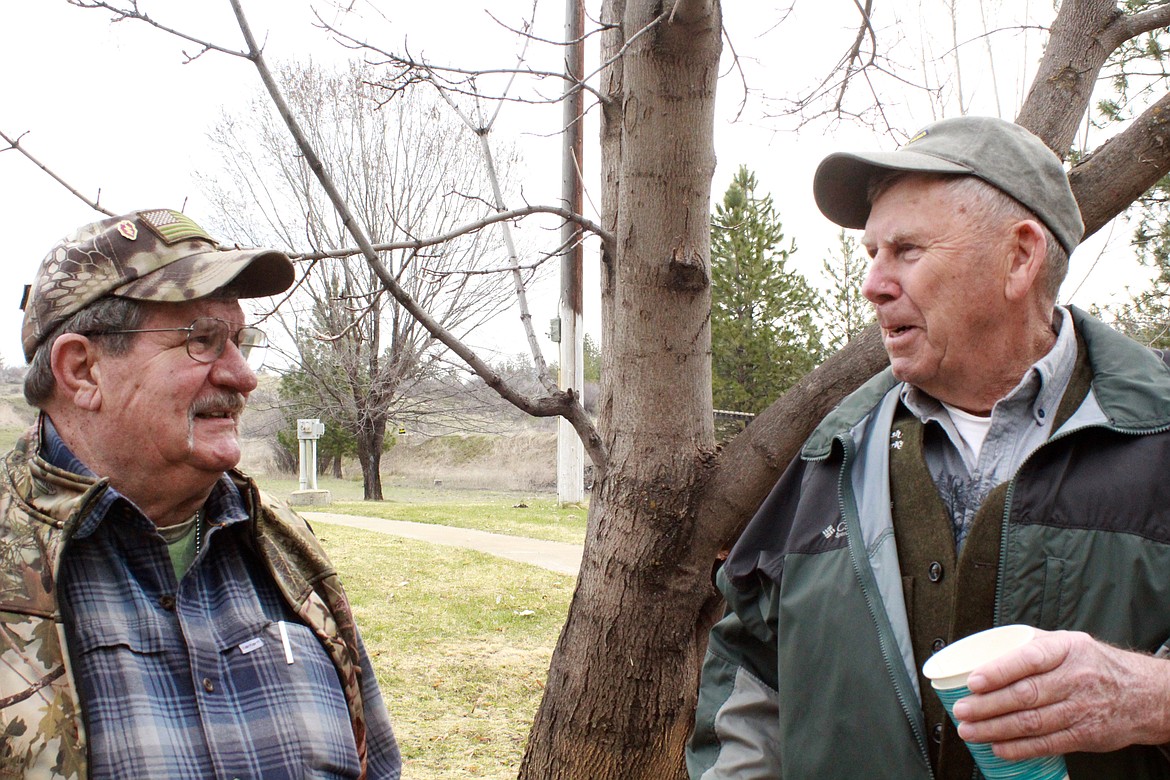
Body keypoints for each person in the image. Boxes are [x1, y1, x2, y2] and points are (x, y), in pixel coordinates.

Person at [687, 116, 1170, 779]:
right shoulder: (832, 454)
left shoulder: (1159, 436)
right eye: (871, 254)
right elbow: (750, 673)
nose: (873, 285)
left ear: (1020, 257)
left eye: (907, 250)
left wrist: (1151, 698)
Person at [0, 209, 401, 779]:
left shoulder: (284, 547)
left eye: (240, 341)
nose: (243, 376)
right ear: (82, 370)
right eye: (203, 341)